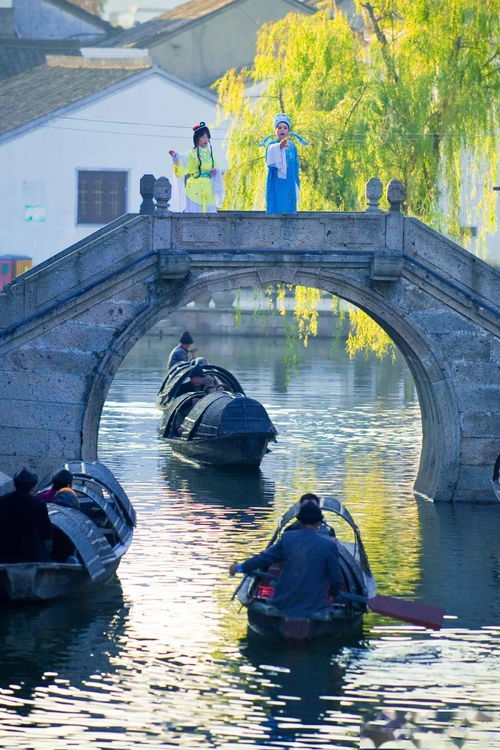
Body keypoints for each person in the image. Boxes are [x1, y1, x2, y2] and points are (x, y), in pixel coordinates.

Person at [229, 502, 342, 618]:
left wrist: (239, 567)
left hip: (283, 602)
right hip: (316, 605)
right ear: (319, 522)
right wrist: (332, 595)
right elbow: (336, 579)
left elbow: (263, 559)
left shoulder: (287, 538)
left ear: (300, 521)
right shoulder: (329, 546)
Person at [169, 122, 224, 213]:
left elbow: (217, 167)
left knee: (210, 212)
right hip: (194, 187)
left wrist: (216, 171)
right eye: (202, 137)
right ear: (197, 139)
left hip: (208, 187)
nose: (205, 139)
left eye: (207, 137)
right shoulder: (192, 153)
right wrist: (176, 157)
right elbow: (183, 158)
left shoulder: (211, 155)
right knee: (194, 212)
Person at [0, 468, 53, 563]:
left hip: (4, 553)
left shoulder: (2, 501)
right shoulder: (39, 504)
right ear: (32, 487)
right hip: (31, 555)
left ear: (14, 484)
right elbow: (46, 533)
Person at [260, 113, 308, 214]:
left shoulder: (292, 146)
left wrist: (296, 181)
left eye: (285, 128)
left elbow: (295, 165)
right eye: (279, 127)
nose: (282, 130)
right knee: (276, 202)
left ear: (288, 131)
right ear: (275, 130)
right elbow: (269, 161)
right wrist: (279, 147)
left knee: (289, 202)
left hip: (289, 179)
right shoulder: (271, 145)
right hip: (276, 180)